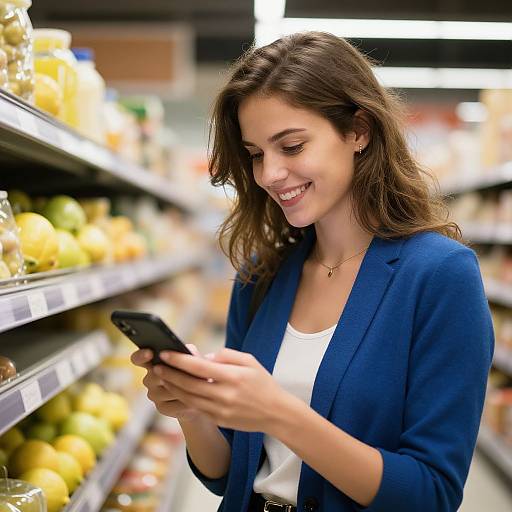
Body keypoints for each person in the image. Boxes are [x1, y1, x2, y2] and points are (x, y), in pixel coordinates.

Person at [131, 31, 494, 512]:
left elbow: (431, 493)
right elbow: (230, 477)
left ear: (359, 131)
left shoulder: (440, 276)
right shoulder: (262, 277)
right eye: (257, 153)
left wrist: (279, 413)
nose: (269, 174)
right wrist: (193, 412)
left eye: (293, 146)